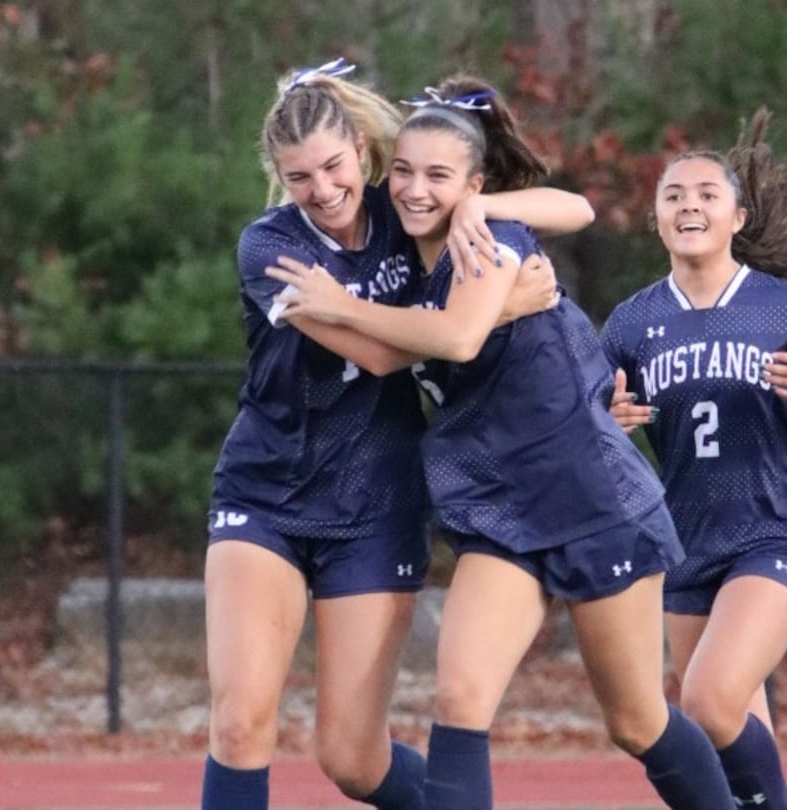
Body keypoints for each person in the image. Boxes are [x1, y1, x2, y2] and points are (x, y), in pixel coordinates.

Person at [264, 74, 736, 810]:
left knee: (636, 721)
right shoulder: (394, 263)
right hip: (494, 507)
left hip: (589, 497)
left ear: (474, 186)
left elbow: (456, 332)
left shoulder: (494, 238)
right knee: (459, 698)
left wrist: (346, 303)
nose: (418, 190)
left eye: (441, 177)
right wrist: (342, 304)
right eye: (407, 173)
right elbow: (401, 346)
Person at [204, 60, 595, 810]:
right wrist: (488, 316)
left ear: (358, 147)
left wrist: (482, 211)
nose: (321, 189)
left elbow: (572, 207)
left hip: (375, 505)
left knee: (351, 758)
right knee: (240, 721)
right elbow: (380, 355)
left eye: (332, 165)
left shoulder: (407, 209)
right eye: (298, 177)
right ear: (277, 177)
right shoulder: (270, 249)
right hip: (267, 495)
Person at [599, 109, 787, 810]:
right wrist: (604, 424)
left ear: (736, 216)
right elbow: (580, 431)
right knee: (721, 730)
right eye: (673, 195)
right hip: (685, 544)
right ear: (656, 219)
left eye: (706, 193)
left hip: (774, 533)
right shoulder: (632, 323)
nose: (689, 204)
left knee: (707, 698)